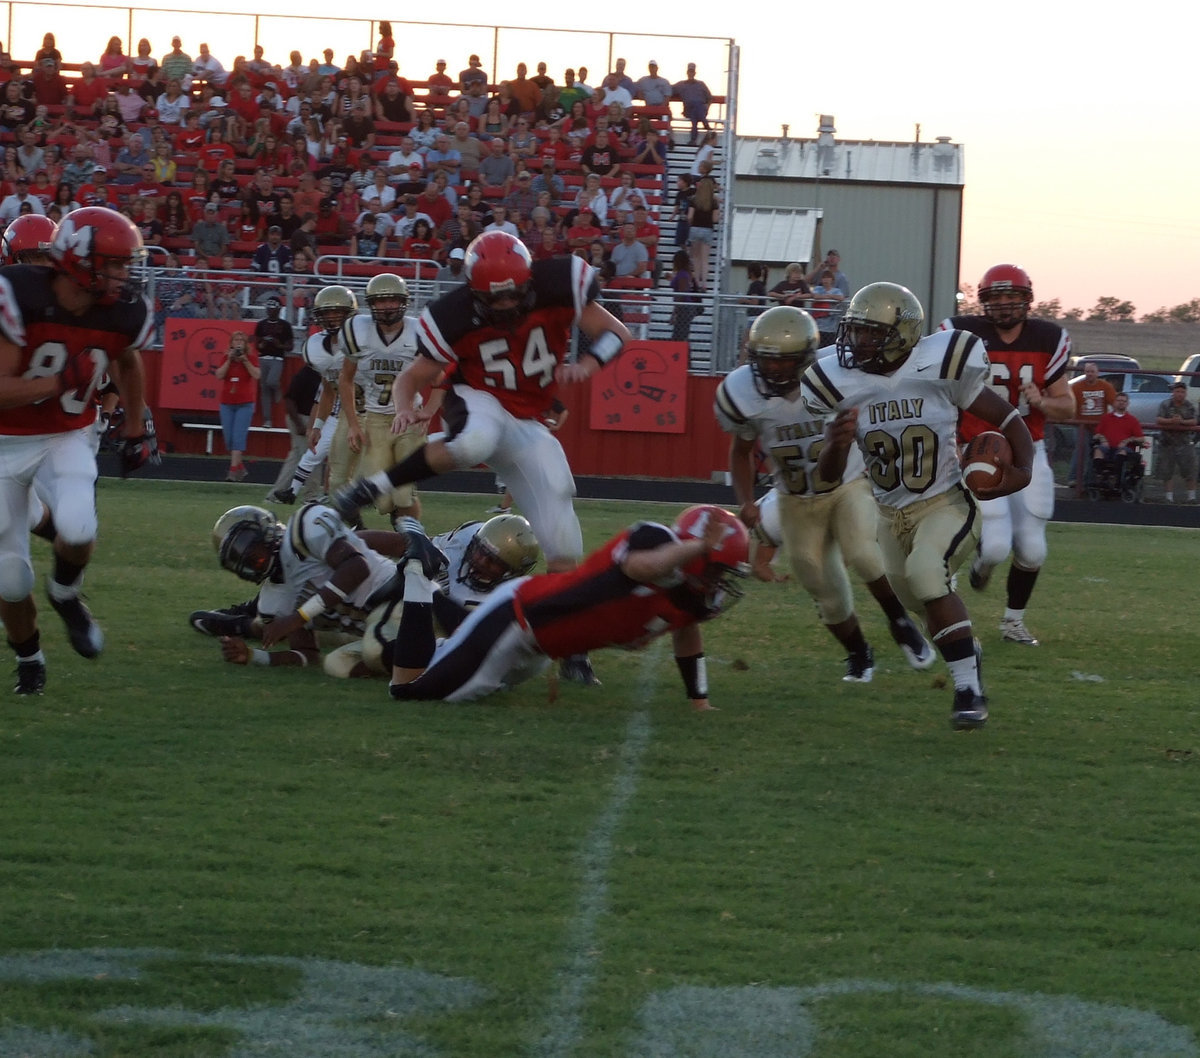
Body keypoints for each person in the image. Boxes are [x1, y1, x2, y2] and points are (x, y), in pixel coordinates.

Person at [332, 230, 632, 686]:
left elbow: (616, 332)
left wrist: (587, 365)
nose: (508, 307)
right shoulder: (452, 315)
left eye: (515, 295)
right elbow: (414, 377)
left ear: (528, 281)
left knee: (563, 541)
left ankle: (574, 651)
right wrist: (406, 405)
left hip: (529, 422)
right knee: (472, 442)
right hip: (479, 399)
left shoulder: (558, 282)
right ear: (474, 292)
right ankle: (369, 487)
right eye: (497, 299)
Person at [802, 282, 1034, 731]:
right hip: (889, 516)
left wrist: (1021, 469)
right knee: (920, 601)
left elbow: (1004, 416)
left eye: (870, 333)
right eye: (856, 331)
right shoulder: (840, 382)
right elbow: (827, 477)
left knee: (928, 574)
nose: (857, 343)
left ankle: (969, 691)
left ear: (902, 335)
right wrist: (835, 442)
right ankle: (968, 650)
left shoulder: (941, 364)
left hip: (946, 502)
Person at [716, 306, 935, 682]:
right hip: (795, 500)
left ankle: (901, 623)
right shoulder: (742, 394)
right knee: (821, 587)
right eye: (766, 361)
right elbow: (740, 451)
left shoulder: (837, 374)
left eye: (784, 362)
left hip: (848, 485)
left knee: (864, 554)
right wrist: (745, 499)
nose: (773, 370)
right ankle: (858, 653)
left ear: (805, 359)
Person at [0, 209, 156, 693]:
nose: (124, 276)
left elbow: (127, 363)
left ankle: (66, 594)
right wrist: (57, 381)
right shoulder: (19, 296)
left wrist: (135, 426)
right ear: (80, 262)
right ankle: (31, 658)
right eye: (115, 265)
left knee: (79, 524)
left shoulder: (119, 312)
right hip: (4, 442)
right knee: (9, 579)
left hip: (66, 433)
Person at [387, 505, 748, 706]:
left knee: (461, 674)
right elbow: (642, 567)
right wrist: (699, 548)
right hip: (518, 617)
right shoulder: (655, 544)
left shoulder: (687, 595)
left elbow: (687, 633)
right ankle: (421, 580)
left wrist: (698, 699)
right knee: (409, 691)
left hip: (541, 646)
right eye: (717, 572)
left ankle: (427, 643)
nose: (718, 585)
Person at [940, 264, 1073, 648]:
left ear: (1026, 300)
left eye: (1011, 297)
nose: (1003, 305)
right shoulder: (961, 333)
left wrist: (1043, 401)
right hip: (976, 447)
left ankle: (1013, 622)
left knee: (1032, 548)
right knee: (996, 544)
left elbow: (1069, 407)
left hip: (1028, 449)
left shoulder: (1047, 338)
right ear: (983, 302)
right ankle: (976, 567)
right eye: (995, 297)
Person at [338, 274, 435, 526]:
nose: (386, 306)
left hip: (409, 419)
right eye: (380, 301)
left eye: (392, 300)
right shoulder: (358, 332)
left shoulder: (418, 332)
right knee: (380, 499)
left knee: (403, 493)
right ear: (371, 304)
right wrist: (353, 424)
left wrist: (432, 409)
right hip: (376, 420)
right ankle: (395, 523)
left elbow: (441, 378)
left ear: (403, 302)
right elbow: (345, 380)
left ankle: (412, 539)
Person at [271, 285, 358, 506]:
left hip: (370, 409)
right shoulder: (316, 347)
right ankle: (292, 491)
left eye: (337, 312)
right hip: (339, 411)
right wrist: (317, 425)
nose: (332, 318)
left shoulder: (364, 339)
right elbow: (327, 391)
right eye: (327, 313)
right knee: (315, 452)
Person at [215, 329, 259, 481]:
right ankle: (240, 467)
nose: (239, 343)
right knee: (229, 438)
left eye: (241, 340)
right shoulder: (225, 358)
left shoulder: (251, 358)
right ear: (231, 343)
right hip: (227, 402)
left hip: (244, 403)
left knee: (238, 437)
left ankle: (233, 471)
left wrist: (245, 360)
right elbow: (219, 375)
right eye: (236, 340)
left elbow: (257, 375)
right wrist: (229, 359)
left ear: (246, 344)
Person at [1066, 361, 1117, 487]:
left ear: (1097, 373)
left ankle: (1090, 480)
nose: (1090, 374)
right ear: (1084, 373)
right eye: (1087, 372)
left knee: (1096, 452)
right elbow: (1069, 404)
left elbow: (1115, 404)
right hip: (1081, 425)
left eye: (1092, 372)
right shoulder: (1076, 387)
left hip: (1099, 427)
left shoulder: (1105, 386)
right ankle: (1074, 478)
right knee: (1082, 449)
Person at [253, 297, 294, 428]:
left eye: (273, 308)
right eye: (268, 307)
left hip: (277, 358)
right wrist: (263, 343)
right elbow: (256, 344)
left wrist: (279, 345)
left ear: (279, 308)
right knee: (264, 388)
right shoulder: (261, 324)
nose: (270, 310)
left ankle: (277, 389)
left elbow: (290, 346)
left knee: (272, 381)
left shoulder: (285, 325)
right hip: (263, 357)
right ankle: (267, 419)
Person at [1154, 381, 1197, 503]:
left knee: (1190, 470)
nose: (1179, 394)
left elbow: (1194, 421)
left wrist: (1182, 422)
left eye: (1182, 392)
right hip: (1167, 442)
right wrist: (1171, 421)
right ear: (1173, 392)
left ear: (1186, 393)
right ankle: (1169, 497)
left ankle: (1191, 497)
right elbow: (1158, 419)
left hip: (1185, 442)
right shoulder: (1165, 404)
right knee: (1167, 471)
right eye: (1177, 391)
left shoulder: (1189, 406)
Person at [1091, 391, 1146, 477]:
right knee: (1098, 450)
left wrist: (1128, 440)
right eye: (1119, 400)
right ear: (1114, 402)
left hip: (1124, 449)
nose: (1121, 402)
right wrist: (1102, 439)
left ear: (1127, 404)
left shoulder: (1132, 420)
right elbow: (1096, 434)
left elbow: (1141, 438)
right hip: (1107, 447)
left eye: (1124, 401)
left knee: (1122, 452)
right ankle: (1099, 475)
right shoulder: (1106, 418)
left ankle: (1117, 478)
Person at [672, 63, 712, 145]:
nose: (691, 73)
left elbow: (710, 97)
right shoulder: (681, 85)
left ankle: (693, 140)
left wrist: (707, 106)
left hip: (700, 110)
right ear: (687, 72)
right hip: (689, 110)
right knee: (696, 106)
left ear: (695, 73)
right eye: (689, 71)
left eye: (692, 71)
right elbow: (669, 90)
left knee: (696, 110)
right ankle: (705, 123)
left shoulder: (701, 84)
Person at [669, 250, 700, 342]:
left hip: (684, 308)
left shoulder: (683, 274)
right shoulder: (685, 273)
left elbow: (682, 293)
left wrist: (675, 312)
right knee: (681, 336)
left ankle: (685, 354)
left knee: (679, 337)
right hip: (685, 308)